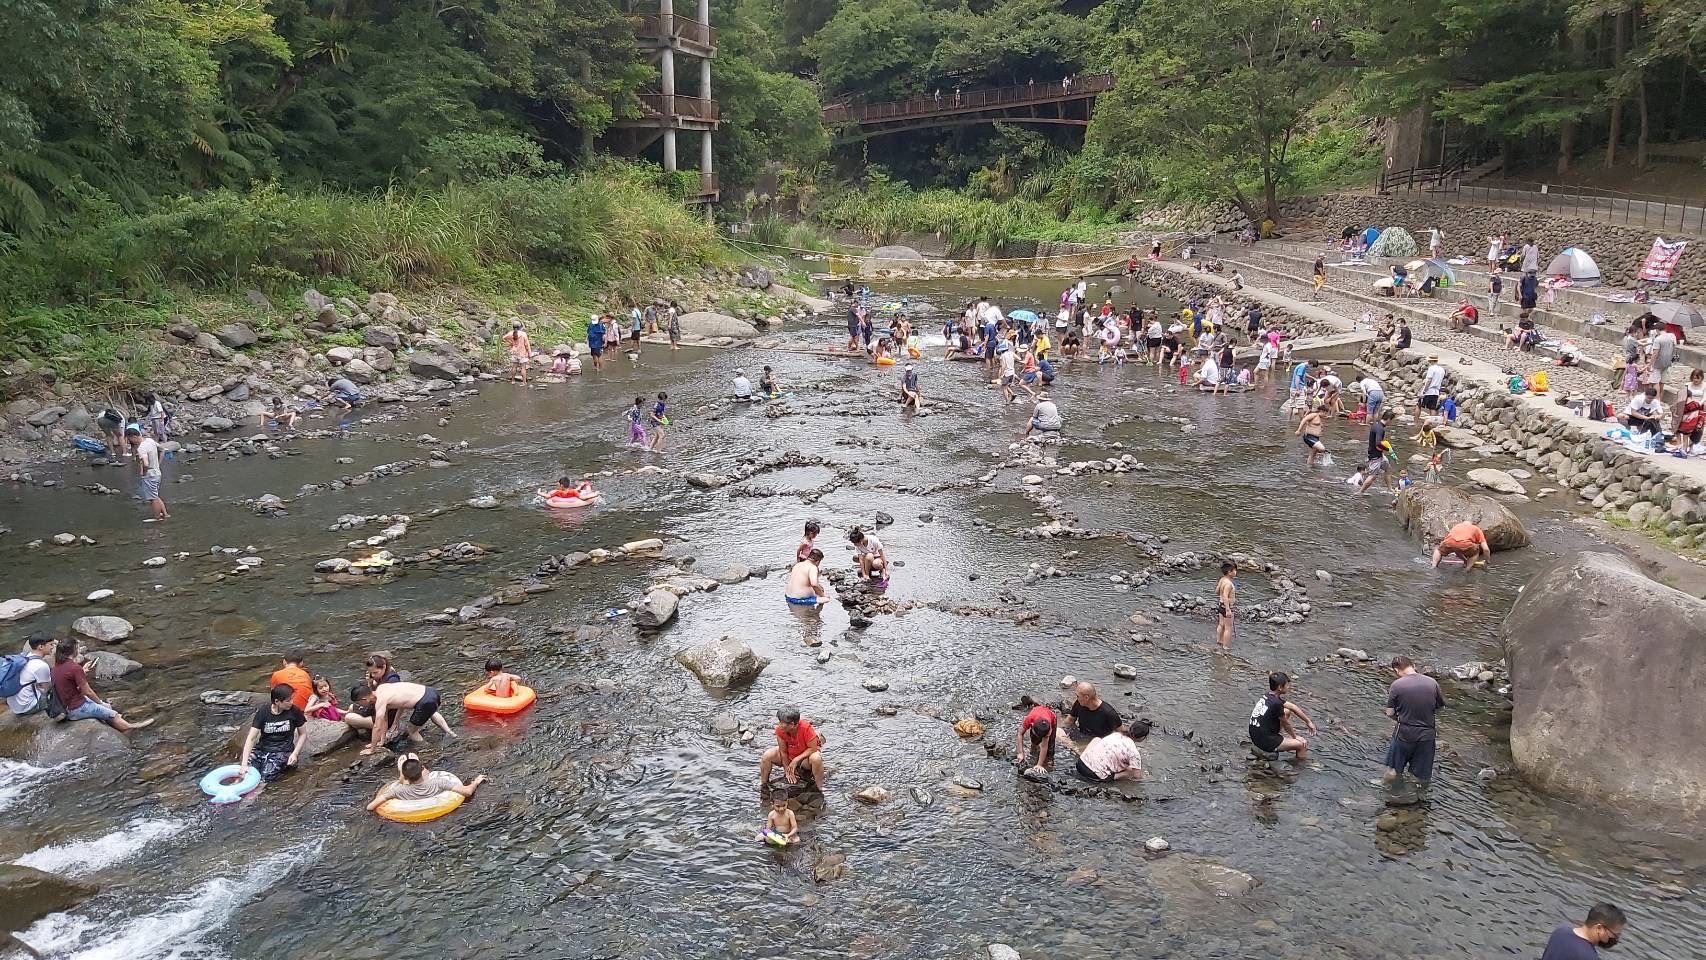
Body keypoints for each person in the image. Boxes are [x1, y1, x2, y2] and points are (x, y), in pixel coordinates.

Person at [51, 638, 153, 732]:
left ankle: (113, 720)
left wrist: (83, 671)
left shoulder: (56, 667)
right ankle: (130, 728)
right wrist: (99, 702)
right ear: (73, 650)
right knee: (112, 713)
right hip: (77, 708)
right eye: (77, 647)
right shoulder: (74, 668)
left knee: (107, 707)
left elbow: (68, 684)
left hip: (67, 706)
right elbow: (87, 691)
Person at [1383, 655, 1444, 785]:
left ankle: (1388, 794)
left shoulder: (1397, 685)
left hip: (1404, 734)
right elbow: (1439, 708)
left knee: (1393, 771)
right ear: (1413, 666)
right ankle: (1417, 800)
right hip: (1427, 736)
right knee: (1420, 777)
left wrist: (1400, 718)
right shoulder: (1432, 683)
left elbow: (1389, 713)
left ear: (1396, 670)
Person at [359, 680, 456, 756]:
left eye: (360, 703)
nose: (362, 705)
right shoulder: (382, 687)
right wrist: (382, 741)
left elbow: (377, 727)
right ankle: (451, 733)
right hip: (431, 692)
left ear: (364, 699)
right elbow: (387, 716)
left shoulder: (380, 701)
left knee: (411, 730)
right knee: (431, 711)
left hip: (425, 702)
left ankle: (428, 750)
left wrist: (372, 749)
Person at [366, 753, 485, 811]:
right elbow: (468, 791)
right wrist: (476, 781)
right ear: (422, 770)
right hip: (438, 811)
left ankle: (403, 772)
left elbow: (370, 807)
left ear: (406, 778)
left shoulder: (398, 791)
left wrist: (401, 779)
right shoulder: (438, 783)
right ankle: (413, 766)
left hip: (410, 814)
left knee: (406, 781)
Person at [239, 683, 309, 782]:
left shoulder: (294, 711)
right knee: (246, 771)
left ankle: (252, 797)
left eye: (292, 699)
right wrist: (244, 764)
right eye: (288, 701)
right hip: (262, 749)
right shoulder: (263, 711)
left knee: (265, 776)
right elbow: (251, 738)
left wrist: (295, 754)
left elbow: (303, 734)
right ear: (277, 701)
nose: (291, 702)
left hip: (282, 751)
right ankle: (233, 789)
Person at [1248, 671, 1316, 760]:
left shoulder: (1268, 696)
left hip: (1256, 735)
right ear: (1280, 687)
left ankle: (1279, 740)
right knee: (1302, 745)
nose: (1289, 687)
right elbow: (1286, 724)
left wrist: (1308, 722)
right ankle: (1300, 767)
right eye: (1287, 685)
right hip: (1265, 741)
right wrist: (1295, 737)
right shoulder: (1276, 703)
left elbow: (1293, 707)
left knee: (1287, 711)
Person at [760, 707, 825, 786]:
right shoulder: (780, 730)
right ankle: (764, 784)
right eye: (779, 722)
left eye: (781, 723)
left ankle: (820, 787)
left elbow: (813, 748)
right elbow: (783, 751)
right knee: (767, 755)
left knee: (816, 758)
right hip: (790, 754)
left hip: (805, 759)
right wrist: (787, 770)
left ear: (792, 724)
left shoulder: (806, 728)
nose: (779, 725)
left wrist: (796, 760)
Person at [1074, 718, 1151, 783]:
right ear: (1142, 737)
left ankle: (1086, 757)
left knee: (1097, 739)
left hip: (1080, 764)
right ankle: (1107, 776)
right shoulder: (1134, 753)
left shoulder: (1116, 734)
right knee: (1131, 771)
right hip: (1094, 775)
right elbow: (1137, 776)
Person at [1539, 904, 1626, 960]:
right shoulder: (1588, 956)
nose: (1616, 940)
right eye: (1615, 935)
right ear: (1599, 928)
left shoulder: (1560, 932)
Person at [4, 632, 55, 716]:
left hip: (14, 706)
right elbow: (47, 688)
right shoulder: (41, 665)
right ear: (41, 647)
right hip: (28, 707)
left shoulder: (23, 656)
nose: (52, 647)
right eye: (51, 644)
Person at [127, 425, 168, 522]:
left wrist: (144, 473)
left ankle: (157, 518)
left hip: (150, 475)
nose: (130, 442)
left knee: (152, 498)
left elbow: (145, 463)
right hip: (157, 472)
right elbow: (162, 450)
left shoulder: (141, 448)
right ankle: (165, 514)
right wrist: (158, 463)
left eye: (130, 439)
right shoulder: (150, 441)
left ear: (134, 437)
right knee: (155, 495)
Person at [1358, 409, 1397, 494]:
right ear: (1389, 419)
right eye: (1392, 421)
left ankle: (1390, 489)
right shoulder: (1380, 429)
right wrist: (1389, 449)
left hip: (1379, 455)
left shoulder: (1376, 425)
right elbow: (1378, 443)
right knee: (1372, 476)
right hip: (1375, 456)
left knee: (1388, 468)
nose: (1392, 423)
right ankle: (1360, 492)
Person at [1014, 700, 1057, 771]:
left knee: (1050, 747)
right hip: (1037, 712)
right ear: (1032, 726)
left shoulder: (1048, 728)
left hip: (1051, 716)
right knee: (1034, 742)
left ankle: (1048, 761)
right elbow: (1020, 733)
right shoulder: (1029, 719)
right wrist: (1021, 753)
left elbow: (1044, 746)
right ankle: (1034, 753)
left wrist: (1039, 765)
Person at [1215, 560, 1237, 649]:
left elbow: (1217, 591)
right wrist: (1228, 610)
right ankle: (1226, 647)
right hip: (1227, 608)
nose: (1236, 572)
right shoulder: (1229, 584)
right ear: (1229, 572)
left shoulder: (1222, 580)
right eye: (1234, 570)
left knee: (1221, 625)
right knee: (1228, 628)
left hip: (1221, 606)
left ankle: (1219, 641)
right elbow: (1225, 596)